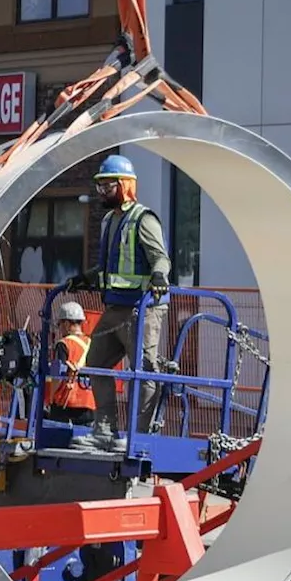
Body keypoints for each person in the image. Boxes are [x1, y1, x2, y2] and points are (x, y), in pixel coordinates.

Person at [65, 154, 171, 453]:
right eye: (99, 186)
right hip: (115, 308)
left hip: (142, 309)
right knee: (96, 363)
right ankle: (105, 431)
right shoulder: (110, 220)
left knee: (144, 369)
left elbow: (159, 258)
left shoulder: (143, 218)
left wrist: (160, 275)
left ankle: (140, 437)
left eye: (107, 185)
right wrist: (84, 278)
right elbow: (108, 269)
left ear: (124, 186)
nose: (101, 191)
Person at [44, 301, 95, 427]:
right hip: (89, 402)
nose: (59, 327)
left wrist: (51, 399)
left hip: (66, 403)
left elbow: (58, 376)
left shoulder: (64, 344)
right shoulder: (91, 343)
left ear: (67, 324)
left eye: (59, 324)